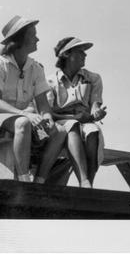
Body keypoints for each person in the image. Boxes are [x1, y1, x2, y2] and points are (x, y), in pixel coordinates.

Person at [0, 15, 67, 183]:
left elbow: (43, 105)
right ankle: (23, 181)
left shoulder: (36, 68)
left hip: (18, 117)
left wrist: (47, 118)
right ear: (20, 39)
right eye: (33, 34)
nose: (37, 39)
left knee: (58, 132)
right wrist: (25, 114)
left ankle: (39, 180)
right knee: (22, 123)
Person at [46, 37, 107, 188]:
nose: (85, 55)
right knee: (72, 125)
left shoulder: (93, 78)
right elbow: (48, 112)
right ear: (67, 54)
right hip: (61, 121)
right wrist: (73, 117)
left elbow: (95, 105)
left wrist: (97, 112)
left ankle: (87, 184)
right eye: (80, 52)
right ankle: (84, 180)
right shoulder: (50, 81)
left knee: (93, 132)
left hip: (84, 121)